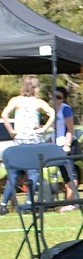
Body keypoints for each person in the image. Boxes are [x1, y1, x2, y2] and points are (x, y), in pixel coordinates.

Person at [1, 76, 55, 213]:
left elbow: (4, 114)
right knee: (33, 172)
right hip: (33, 139)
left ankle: (3, 204)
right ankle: (29, 202)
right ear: (36, 88)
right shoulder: (38, 102)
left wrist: (11, 131)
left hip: (19, 139)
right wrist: (44, 128)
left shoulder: (16, 100)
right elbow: (52, 113)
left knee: (12, 173)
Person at [54, 85, 78, 208]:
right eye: (54, 96)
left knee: (70, 173)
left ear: (63, 99)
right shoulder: (53, 110)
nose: (55, 99)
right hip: (57, 145)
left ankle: (71, 202)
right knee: (64, 174)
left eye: (58, 97)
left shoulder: (65, 109)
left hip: (66, 144)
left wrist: (67, 145)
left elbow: (70, 129)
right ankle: (71, 201)